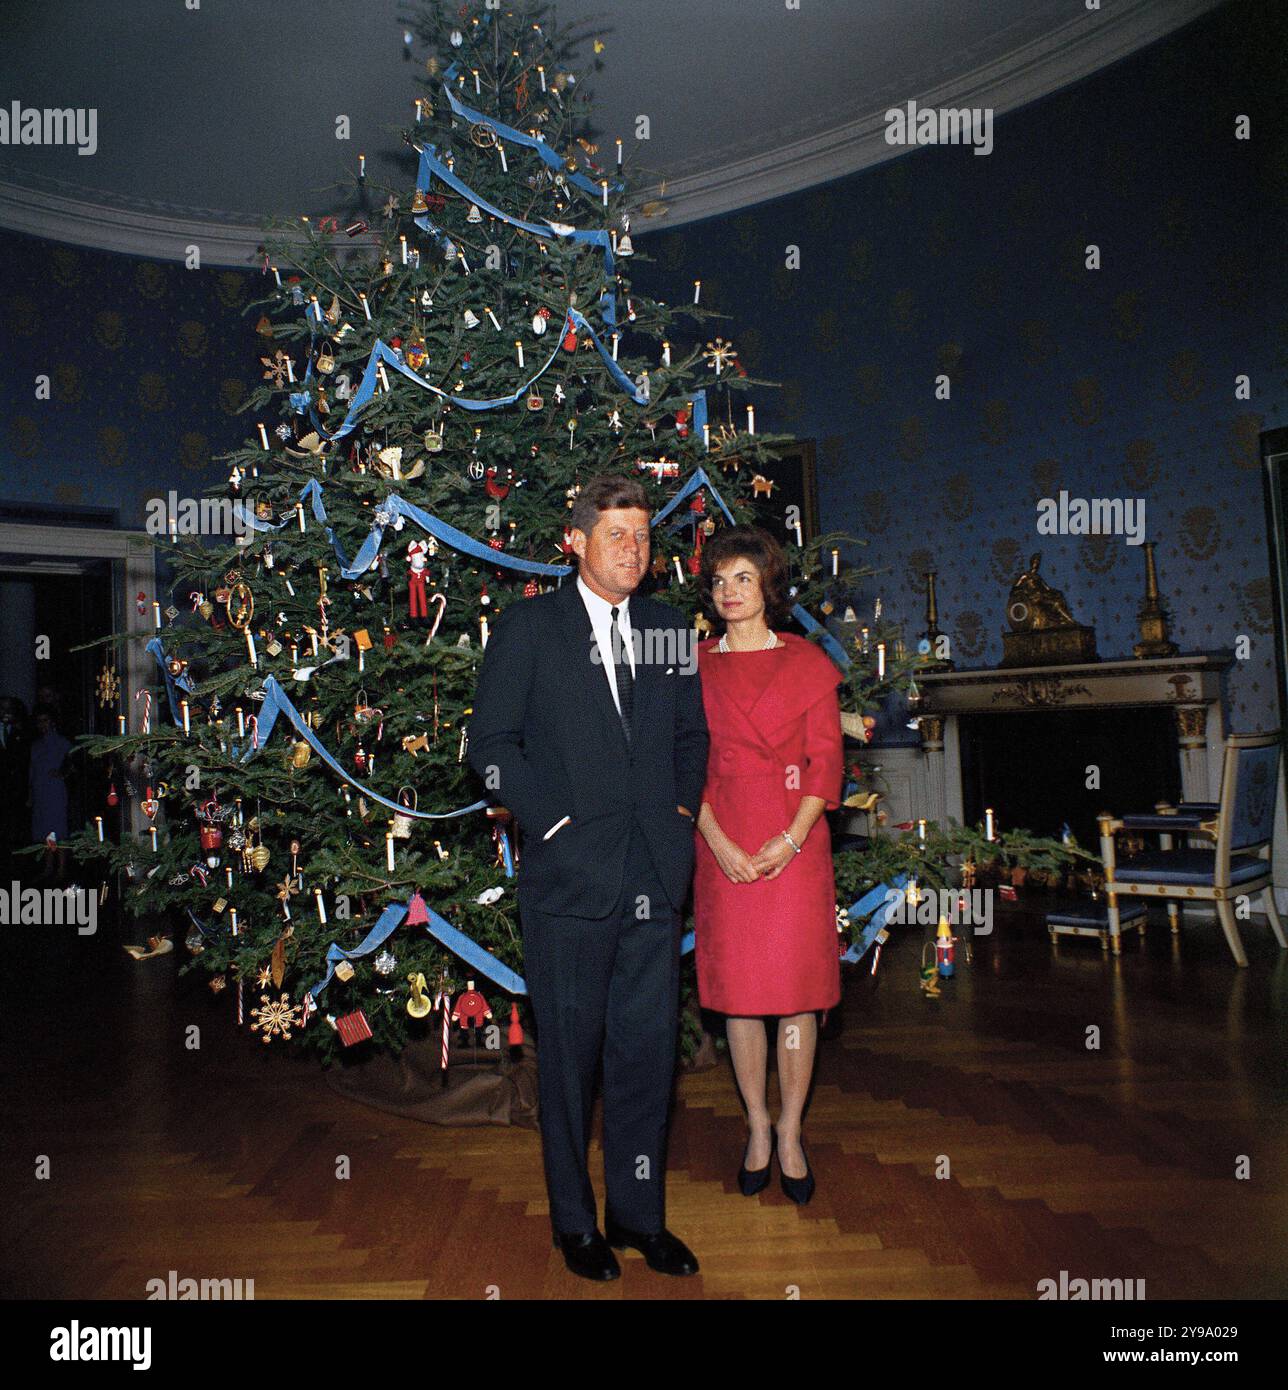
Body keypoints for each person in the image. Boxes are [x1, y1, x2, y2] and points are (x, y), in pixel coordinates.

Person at [467, 474, 709, 1282]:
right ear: (575, 541)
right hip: (569, 882)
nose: (634, 550)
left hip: (654, 876)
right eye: (616, 534)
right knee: (569, 1065)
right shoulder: (530, 628)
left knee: (646, 1057)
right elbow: (492, 750)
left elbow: (690, 740)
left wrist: (679, 818)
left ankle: (639, 1217)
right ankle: (576, 1226)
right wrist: (556, 827)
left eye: (642, 535)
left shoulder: (671, 628)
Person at [692, 526, 844, 1206]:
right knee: (742, 998)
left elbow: (826, 761)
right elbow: (678, 765)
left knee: (794, 995)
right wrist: (718, 840)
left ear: (768, 588)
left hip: (794, 842)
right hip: (721, 839)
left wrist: (791, 839)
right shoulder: (693, 665)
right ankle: (755, 1125)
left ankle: (790, 1132)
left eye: (743, 579)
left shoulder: (807, 661)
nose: (730, 592)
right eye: (720, 581)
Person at [28, 705, 73, 883]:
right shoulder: (35, 745)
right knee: (45, 829)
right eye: (39, 721)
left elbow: (74, 763)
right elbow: (31, 770)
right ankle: (48, 867)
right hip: (40, 791)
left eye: (45, 720)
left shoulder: (62, 742)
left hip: (55, 790)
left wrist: (63, 774)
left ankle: (61, 868)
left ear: (52, 722)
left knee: (58, 828)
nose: (42, 724)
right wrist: (30, 793)